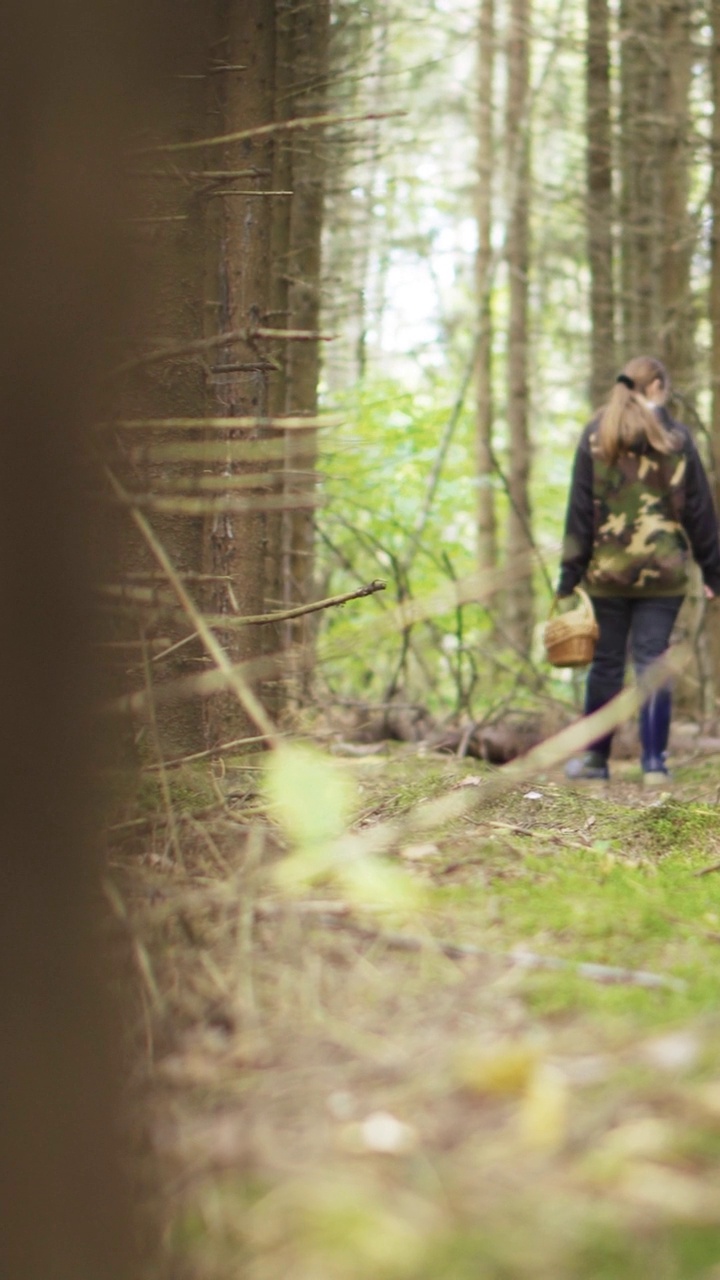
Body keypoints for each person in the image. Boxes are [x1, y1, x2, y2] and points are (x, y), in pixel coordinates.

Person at [558, 355, 720, 784]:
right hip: (664, 576)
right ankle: (655, 764)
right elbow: (701, 513)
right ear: (655, 388)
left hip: (605, 574)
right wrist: (713, 572)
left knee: (606, 665)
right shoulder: (676, 438)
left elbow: (578, 513)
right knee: (653, 663)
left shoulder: (596, 436)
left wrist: (568, 578)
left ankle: (595, 761)